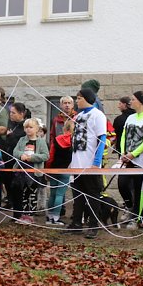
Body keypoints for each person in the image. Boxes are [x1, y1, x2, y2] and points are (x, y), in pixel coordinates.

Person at [69, 88, 107, 239]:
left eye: (79, 98)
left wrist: (96, 162)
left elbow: (101, 138)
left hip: (89, 163)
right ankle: (76, 223)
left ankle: (93, 225)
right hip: (77, 163)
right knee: (77, 195)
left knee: (93, 195)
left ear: (86, 98)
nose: (76, 101)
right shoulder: (78, 116)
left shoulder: (97, 115)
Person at [118, 91, 143, 228]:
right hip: (127, 158)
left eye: (134, 99)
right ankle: (130, 207)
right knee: (122, 183)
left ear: (141, 102)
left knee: (139, 187)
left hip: (141, 159)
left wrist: (134, 154)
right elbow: (124, 135)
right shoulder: (130, 117)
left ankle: (137, 217)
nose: (131, 102)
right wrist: (123, 152)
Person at [13, 117, 50, 223]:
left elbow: (46, 156)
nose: (28, 129)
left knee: (32, 193)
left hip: (34, 172)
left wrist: (32, 157)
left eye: (31, 127)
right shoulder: (22, 140)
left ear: (37, 129)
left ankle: (31, 215)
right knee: (24, 193)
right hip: (22, 171)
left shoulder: (41, 142)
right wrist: (21, 155)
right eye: (26, 127)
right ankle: (24, 215)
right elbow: (15, 151)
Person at [46, 119, 74, 226]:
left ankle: (49, 216)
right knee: (59, 194)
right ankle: (56, 218)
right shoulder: (73, 141)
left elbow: (51, 156)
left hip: (53, 169)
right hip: (65, 169)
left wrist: (47, 169)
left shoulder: (56, 139)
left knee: (52, 194)